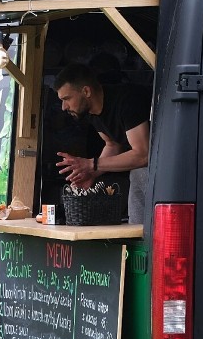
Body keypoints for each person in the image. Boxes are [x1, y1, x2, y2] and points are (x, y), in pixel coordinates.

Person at [53, 63, 151, 224]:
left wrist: (91, 164)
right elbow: (112, 144)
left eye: (66, 99)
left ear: (86, 91)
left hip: (173, 166)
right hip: (144, 173)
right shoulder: (92, 112)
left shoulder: (127, 101)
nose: (64, 107)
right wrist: (91, 174)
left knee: (138, 172)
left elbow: (143, 155)